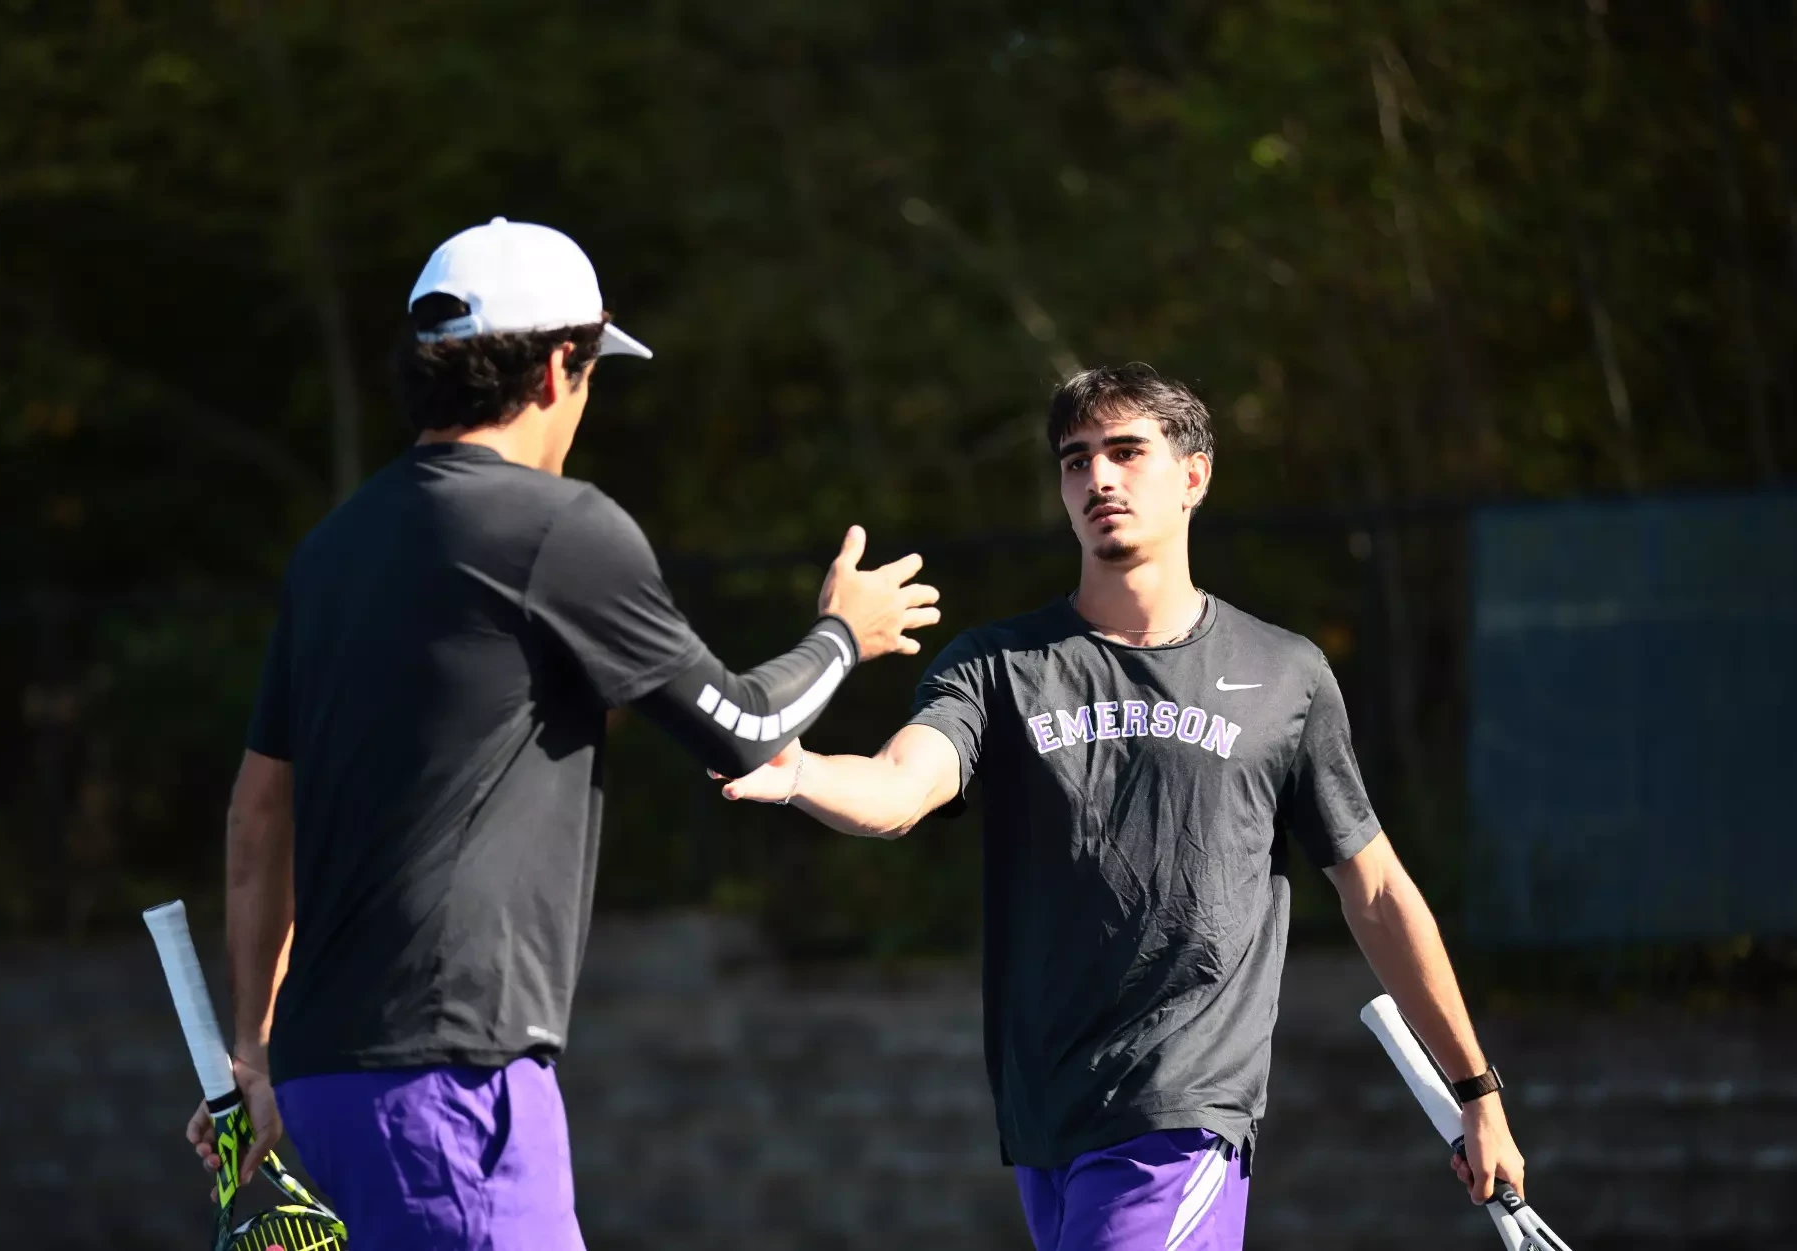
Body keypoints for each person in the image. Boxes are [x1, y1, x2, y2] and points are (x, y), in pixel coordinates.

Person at [185, 216, 940, 1249]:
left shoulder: (331, 550)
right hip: (452, 1076)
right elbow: (746, 730)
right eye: (590, 372)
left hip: (325, 1079)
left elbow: (255, 815)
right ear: (554, 369)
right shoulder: (554, 529)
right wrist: (843, 635)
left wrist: (256, 1053)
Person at [717, 363, 1525, 1251]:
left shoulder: (1287, 674)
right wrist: (804, 772)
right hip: (1045, 1117)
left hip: (1183, 1110)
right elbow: (905, 784)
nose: (1098, 477)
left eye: (1126, 451)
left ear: (1194, 474)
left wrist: (1477, 1090)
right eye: (1076, 460)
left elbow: (1375, 890)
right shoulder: (997, 666)